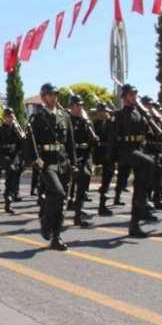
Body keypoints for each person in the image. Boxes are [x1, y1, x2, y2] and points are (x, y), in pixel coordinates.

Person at [26, 83, 73, 251]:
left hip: (62, 161)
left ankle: (56, 236)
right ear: (44, 97)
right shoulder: (37, 118)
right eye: (49, 94)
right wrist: (35, 160)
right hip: (47, 162)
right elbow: (30, 143)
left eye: (55, 94)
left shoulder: (65, 116)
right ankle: (45, 221)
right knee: (58, 192)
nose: (53, 97)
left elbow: (70, 143)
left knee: (60, 201)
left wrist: (73, 163)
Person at [107, 83, 157, 238]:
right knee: (149, 162)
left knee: (140, 186)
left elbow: (148, 133)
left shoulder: (140, 114)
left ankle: (134, 225)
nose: (134, 97)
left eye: (135, 94)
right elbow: (111, 139)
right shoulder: (119, 114)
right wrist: (110, 159)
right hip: (126, 151)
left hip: (138, 150)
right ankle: (142, 200)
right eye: (131, 95)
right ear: (124, 97)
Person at [67, 95, 96, 227]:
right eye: (77, 105)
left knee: (85, 180)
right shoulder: (67, 121)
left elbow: (91, 140)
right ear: (71, 106)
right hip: (72, 155)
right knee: (65, 186)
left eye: (81, 105)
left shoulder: (85, 121)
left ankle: (78, 214)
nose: (79, 108)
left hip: (84, 155)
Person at [0, 108, 24, 213]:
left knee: (13, 176)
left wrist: (21, 136)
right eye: (8, 116)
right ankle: (8, 195)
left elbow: (21, 143)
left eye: (12, 116)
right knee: (11, 171)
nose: (10, 118)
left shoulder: (16, 129)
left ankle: (8, 197)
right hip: (4, 155)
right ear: (4, 117)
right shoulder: (0, 129)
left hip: (13, 155)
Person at [93, 102, 115, 216]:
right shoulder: (94, 125)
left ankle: (103, 194)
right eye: (102, 112)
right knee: (108, 165)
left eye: (105, 112)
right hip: (98, 153)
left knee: (109, 172)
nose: (104, 114)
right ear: (97, 113)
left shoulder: (109, 124)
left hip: (108, 153)